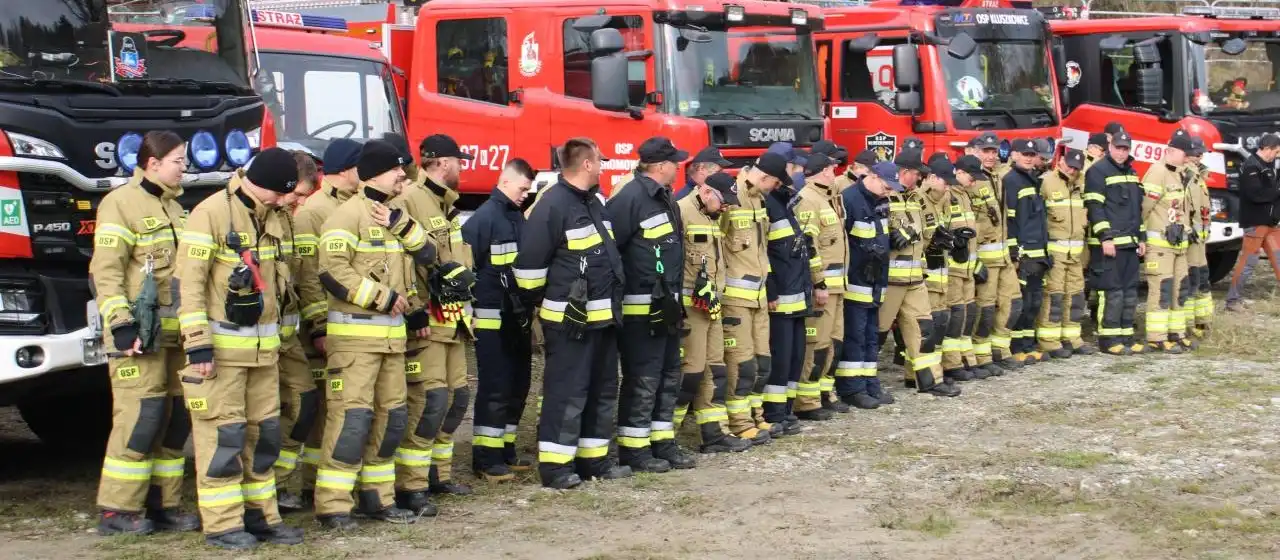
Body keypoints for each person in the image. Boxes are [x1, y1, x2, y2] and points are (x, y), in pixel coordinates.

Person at [176, 147, 307, 549]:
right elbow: (189, 284)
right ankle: (222, 523)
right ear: (263, 184)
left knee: (264, 435)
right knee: (224, 437)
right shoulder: (211, 213)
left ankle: (261, 515)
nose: (285, 201)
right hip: (221, 357)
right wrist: (197, 345)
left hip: (264, 355)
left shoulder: (272, 217)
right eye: (280, 194)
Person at [312, 140, 436, 529]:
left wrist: (400, 225)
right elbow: (333, 273)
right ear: (376, 173)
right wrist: (384, 298)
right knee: (351, 423)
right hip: (355, 345)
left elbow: (426, 256)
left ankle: (377, 500)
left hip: (392, 343)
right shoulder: (345, 217)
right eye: (397, 169)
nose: (404, 174)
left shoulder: (393, 215)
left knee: (391, 420)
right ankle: (333, 507)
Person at [92, 130, 200, 537]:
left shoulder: (176, 208)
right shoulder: (120, 204)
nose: (184, 167)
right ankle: (117, 510)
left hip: (175, 337)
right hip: (139, 338)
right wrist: (120, 324)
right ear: (153, 163)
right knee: (140, 420)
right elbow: (107, 272)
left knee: (173, 423)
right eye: (178, 160)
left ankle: (163, 505)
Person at [513, 137, 632, 489]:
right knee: (567, 393)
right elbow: (529, 271)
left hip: (603, 321)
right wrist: (552, 305)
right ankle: (556, 467)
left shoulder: (594, 202)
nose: (604, 166)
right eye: (601, 160)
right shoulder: (552, 205)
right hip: (570, 324)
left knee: (601, 390)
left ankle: (593, 460)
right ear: (587, 165)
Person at [394, 134, 477, 509]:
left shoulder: (447, 204)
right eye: (459, 161)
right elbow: (402, 264)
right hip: (428, 320)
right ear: (443, 162)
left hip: (453, 320)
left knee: (456, 399)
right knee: (429, 401)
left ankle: (438, 475)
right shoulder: (411, 199)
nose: (463, 168)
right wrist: (412, 310)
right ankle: (411, 485)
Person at [608, 137, 694, 473]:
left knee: (668, 375)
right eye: (675, 162)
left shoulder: (663, 197)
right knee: (643, 378)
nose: (678, 167)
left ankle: (662, 442)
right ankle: (635, 450)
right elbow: (612, 250)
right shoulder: (632, 197)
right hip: (640, 311)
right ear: (660, 165)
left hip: (666, 307)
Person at [288, 138, 364, 509]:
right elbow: (308, 277)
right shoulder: (313, 212)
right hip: (323, 331)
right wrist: (319, 326)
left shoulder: (358, 205)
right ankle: (309, 485)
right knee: (317, 410)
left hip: (348, 329)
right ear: (347, 168)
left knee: (337, 409)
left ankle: (319, 483)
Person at [464, 158, 536, 480]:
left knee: (517, 385)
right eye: (523, 188)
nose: (525, 194)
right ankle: (486, 459)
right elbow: (467, 269)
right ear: (506, 182)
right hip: (492, 321)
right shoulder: (484, 219)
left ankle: (505, 451)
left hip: (516, 319)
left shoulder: (515, 216)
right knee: (495, 387)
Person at [678, 171, 753, 453]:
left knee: (715, 370)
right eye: (722, 201)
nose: (725, 207)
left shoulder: (711, 216)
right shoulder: (682, 211)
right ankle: (665, 436)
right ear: (706, 191)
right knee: (691, 373)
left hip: (712, 305)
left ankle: (713, 434)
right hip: (690, 308)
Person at [721, 153, 790, 442]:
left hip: (759, 298)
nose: (775, 187)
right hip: (735, 300)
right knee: (741, 363)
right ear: (764, 177)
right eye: (775, 182)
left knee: (762, 362)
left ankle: (755, 416)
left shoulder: (759, 200)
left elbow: (760, 252)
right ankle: (738, 422)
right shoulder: (729, 196)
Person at [883, 151, 960, 397]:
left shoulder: (916, 198)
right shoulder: (885, 195)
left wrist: (938, 240)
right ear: (904, 172)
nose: (919, 179)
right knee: (875, 333)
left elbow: (925, 234)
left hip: (915, 278)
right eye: (917, 174)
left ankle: (928, 380)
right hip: (889, 280)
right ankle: (858, 384)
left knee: (923, 329)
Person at [273, 151, 321, 512]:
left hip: (289, 339)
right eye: (298, 195)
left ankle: (277, 485)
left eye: (305, 197)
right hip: (255, 342)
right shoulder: (267, 218)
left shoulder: (290, 221)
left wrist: (317, 325)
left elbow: (304, 279)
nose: (300, 203)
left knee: (304, 405)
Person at [762, 152, 818, 434]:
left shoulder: (785, 205)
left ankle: (786, 408)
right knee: (781, 357)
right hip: (781, 297)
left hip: (798, 294)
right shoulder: (769, 205)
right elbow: (765, 254)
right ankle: (773, 411)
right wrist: (771, 289)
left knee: (795, 355)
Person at [791, 150, 848, 420]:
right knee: (817, 344)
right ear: (823, 171)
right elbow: (809, 247)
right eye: (831, 168)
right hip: (823, 287)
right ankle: (806, 400)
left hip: (838, 286)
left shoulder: (829, 197)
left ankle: (825, 393)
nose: (834, 172)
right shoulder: (808, 200)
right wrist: (818, 283)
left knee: (833, 342)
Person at [837, 161, 897, 408]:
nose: (888, 191)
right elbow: (843, 244)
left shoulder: (881, 201)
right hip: (856, 281)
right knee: (856, 336)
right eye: (886, 186)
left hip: (876, 280)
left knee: (873, 336)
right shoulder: (849, 199)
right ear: (871, 176)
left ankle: (870, 383)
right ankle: (852, 389)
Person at [1084, 130, 1145, 355]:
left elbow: (1137, 210)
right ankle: (1109, 340)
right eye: (1118, 148)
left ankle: (1126, 337)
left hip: (1130, 243)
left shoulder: (1131, 172)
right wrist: (1105, 237)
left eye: (1125, 148)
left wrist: (1142, 238)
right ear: (1110, 147)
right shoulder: (1098, 171)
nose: (1121, 152)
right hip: (1109, 245)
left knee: (1130, 292)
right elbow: (1094, 207)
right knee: (1112, 292)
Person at [928, 154, 984, 382]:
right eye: (971, 177)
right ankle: (950, 364)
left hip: (967, 269)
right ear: (959, 173)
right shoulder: (946, 195)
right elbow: (937, 230)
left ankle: (964, 359)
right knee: (950, 316)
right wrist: (954, 240)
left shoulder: (964, 196)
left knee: (965, 315)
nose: (974, 182)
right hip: (950, 269)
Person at [966, 135, 1019, 372]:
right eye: (985, 151)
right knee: (985, 308)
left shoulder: (998, 176)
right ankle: (981, 354)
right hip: (984, 257)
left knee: (1012, 301)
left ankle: (1001, 349)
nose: (990, 155)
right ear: (972, 152)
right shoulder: (969, 181)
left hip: (1003, 254)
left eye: (993, 151)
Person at [1140, 132, 1197, 353]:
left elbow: (1180, 210)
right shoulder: (1158, 172)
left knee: (1179, 291)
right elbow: (1145, 207)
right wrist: (1140, 234)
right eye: (1185, 154)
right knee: (1161, 291)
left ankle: (1176, 333)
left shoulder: (1180, 174)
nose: (1188, 159)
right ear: (1171, 151)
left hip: (1178, 246)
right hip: (1160, 246)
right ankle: (1157, 337)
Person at [1035, 148, 1094, 358]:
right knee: (1054, 296)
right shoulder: (1046, 183)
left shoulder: (1082, 183)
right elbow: (1038, 218)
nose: (1072, 170)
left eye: (1076, 168)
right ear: (1060, 162)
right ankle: (1049, 340)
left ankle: (1072, 337)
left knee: (1076, 296)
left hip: (1076, 253)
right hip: (1056, 253)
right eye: (1069, 165)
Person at [1004, 139, 1051, 365]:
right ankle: (1016, 347)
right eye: (1025, 154)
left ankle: (1028, 345)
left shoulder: (1033, 180)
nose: (1029, 158)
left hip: (1038, 251)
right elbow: (1010, 220)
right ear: (1014, 155)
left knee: (1034, 302)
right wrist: (1015, 253)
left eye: (1032, 154)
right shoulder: (1011, 181)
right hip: (1024, 252)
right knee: (1021, 302)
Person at [1226, 133, 1280, 311]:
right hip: (1255, 222)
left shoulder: (1266, 165)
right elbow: (1256, 195)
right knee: (1248, 261)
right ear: (1267, 148)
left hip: (1270, 223)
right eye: (1276, 151)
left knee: (1279, 258)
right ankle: (1232, 301)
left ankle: (1234, 299)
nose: (1277, 155)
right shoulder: (1251, 166)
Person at [1182, 137, 1214, 335]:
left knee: (1202, 280)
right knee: (1192, 282)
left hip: (1200, 241)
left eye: (1202, 153)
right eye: (1197, 153)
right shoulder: (1185, 175)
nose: (1200, 156)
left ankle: (1201, 323)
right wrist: (1187, 229)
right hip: (1190, 239)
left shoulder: (1198, 175)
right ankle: (1188, 325)